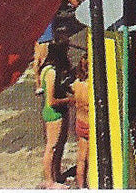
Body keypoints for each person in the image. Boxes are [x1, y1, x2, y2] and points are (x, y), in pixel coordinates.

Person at [40, 40, 73, 187]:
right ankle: (49, 180)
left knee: (60, 144)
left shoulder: (51, 70)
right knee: (52, 146)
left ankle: (57, 174)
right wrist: (69, 100)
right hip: (54, 113)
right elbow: (51, 100)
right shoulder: (51, 72)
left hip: (60, 111)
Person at [69, 54, 91, 188]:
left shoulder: (76, 84)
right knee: (91, 158)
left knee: (81, 158)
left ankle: (81, 186)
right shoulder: (91, 86)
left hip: (80, 122)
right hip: (90, 124)